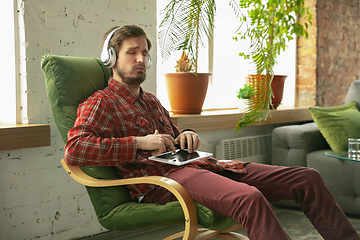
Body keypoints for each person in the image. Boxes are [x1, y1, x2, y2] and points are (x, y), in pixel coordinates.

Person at [64, 25, 359, 240]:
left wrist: (186, 136)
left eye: (145, 53)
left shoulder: (151, 100)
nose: (141, 59)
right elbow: (75, 149)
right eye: (132, 52)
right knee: (250, 198)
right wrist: (139, 142)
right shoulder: (101, 102)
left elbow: (173, 136)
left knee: (308, 178)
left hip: (203, 167)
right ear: (111, 57)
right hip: (163, 183)